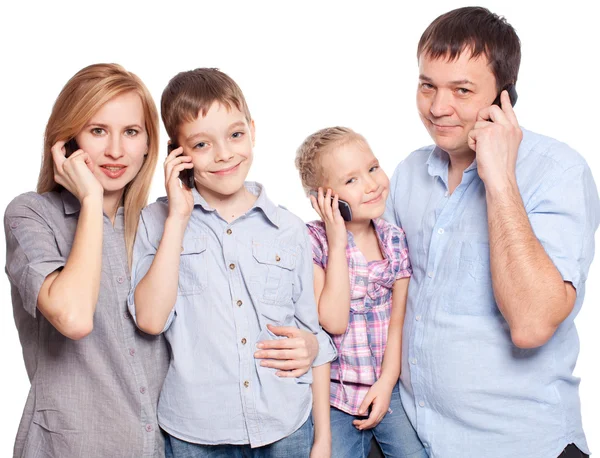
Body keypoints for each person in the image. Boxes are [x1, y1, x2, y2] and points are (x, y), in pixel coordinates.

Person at [384, 7, 599, 458]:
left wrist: (499, 177)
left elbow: (532, 324)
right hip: (410, 439)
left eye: (462, 90)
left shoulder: (557, 172)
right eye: (428, 86)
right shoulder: (408, 174)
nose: (438, 108)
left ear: (505, 97)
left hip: (518, 445)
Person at [127, 68, 337, 458]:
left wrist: (322, 439)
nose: (224, 154)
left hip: (286, 425)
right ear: (177, 152)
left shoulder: (289, 229)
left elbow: (315, 338)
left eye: (235, 135)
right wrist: (178, 217)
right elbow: (151, 320)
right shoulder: (156, 223)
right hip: (196, 433)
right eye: (202, 144)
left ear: (253, 131)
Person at [4, 63, 169, 457]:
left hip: (162, 447)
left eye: (131, 132)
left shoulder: (164, 222)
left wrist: (307, 344)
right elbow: (74, 318)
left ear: (149, 143)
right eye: (98, 131)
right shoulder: (31, 215)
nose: (115, 151)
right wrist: (91, 200)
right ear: (68, 141)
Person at [295, 126, 427, 458]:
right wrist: (338, 243)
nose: (372, 184)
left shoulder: (394, 239)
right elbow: (334, 321)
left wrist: (386, 384)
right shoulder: (313, 243)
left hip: (386, 387)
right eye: (351, 181)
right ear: (323, 200)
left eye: (372, 168)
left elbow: (398, 323)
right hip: (335, 398)